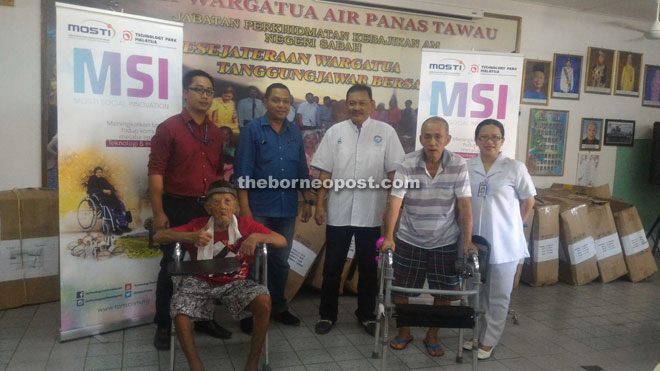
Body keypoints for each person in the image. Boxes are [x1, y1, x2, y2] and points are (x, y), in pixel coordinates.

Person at [153, 181, 287, 371]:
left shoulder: (246, 225)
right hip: (199, 280)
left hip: (235, 282)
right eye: (215, 202)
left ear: (236, 206)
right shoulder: (197, 225)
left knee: (264, 301)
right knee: (179, 310)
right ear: (207, 207)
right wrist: (189, 237)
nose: (222, 206)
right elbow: (158, 237)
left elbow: (281, 240)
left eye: (227, 201)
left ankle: (252, 364)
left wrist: (256, 237)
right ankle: (196, 366)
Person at [311, 84, 405, 336]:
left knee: (367, 268)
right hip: (338, 212)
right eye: (352, 103)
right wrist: (320, 204)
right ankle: (327, 314)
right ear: (346, 104)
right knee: (332, 267)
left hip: (372, 214)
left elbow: (394, 172)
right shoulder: (335, 132)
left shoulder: (385, 133)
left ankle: (366, 314)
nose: (357, 107)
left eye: (362, 103)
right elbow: (325, 171)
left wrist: (392, 208)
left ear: (372, 105)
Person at [380, 116, 477, 357]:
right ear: (421, 138)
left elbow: (464, 206)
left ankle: (432, 335)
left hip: (444, 240)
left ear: (447, 139)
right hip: (410, 238)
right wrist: (389, 237)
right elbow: (395, 202)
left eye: (438, 137)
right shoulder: (408, 163)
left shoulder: (458, 164)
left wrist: (467, 241)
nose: (432, 142)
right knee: (401, 290)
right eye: (427, 136)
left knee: (443, 294)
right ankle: (405, 332)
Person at [148, 69, 229, 350]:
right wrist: (159, 213)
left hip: (207, 207)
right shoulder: (169, 128)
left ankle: (204, 319)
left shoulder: (216, 132)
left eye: (209, 91)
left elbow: (219, 174)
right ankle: (163, 324)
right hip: (177, 206)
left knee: (208, 264)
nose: (204, 96)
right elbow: (155, 173)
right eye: (198, 89)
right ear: (185, 93)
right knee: (172, 266)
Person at [235, 82, 314, 333]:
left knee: (280, 261)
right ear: (266, 102)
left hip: (287, 207)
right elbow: (243, 171)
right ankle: (252, 311)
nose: (281, 105)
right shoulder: (252, 131)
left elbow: (301, 168)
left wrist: (309, 199)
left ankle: (278, 307)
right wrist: (245, 210)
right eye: (276, 100)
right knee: (255, 261)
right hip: (259, 208)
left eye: (286, 101)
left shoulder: (294, 133)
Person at [464, 119, 536, 360]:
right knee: (476, 291)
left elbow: (528, 201)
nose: (489, 141)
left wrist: (513, 224)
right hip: (475, 243)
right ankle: (475, 334)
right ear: (476, 141)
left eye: (495, 137)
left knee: (498, 295)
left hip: (505, 244)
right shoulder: (466, 167)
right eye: (484, 137)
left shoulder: (514, 168)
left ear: (502, 141)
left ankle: (489, 340)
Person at [86, 166, 131, 234]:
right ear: (95, 173)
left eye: (100, 172)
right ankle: (113, 227)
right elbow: (91, 190)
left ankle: (123, 225)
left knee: (120, 204)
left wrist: (110, 190)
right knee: (108, 207)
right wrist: (103, 191)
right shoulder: (92, 180)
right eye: (97, 172)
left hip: (106, 196)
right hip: (97, 197)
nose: (99, 173)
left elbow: (110, 186)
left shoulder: (103, 179)